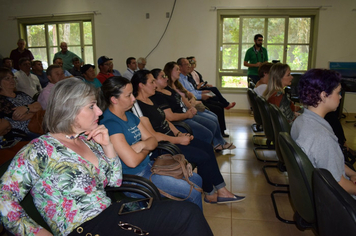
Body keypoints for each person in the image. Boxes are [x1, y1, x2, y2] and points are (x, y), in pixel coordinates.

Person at [0, 77, 214, 236]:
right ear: (70, 110)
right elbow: (4, 199)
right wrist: (38, 234)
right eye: (91, 107)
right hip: (84, 227)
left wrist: (108, 146)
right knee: (184, 218)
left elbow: (114, 181)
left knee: (187, 211)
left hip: (112, 211)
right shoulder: (40, 149)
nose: (99, 112)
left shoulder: (87, 140)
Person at [131, 69, 245, 204]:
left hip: (173, 138)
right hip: (164, 146)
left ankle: (221, 190)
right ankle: (210, 193)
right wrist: (178, 139)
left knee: (207, 148)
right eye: (152, 82)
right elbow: (153, 135)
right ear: (141, 85)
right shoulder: (138, 106)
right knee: (203, 157)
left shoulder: (151, 100)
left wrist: (179, 133)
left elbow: (165, 121)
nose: (155, 85)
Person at [99, 76, 204, 209]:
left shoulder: (130, 115)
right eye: (128, 95)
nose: (133, 99)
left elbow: (153, 140)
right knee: (193, 193)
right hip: (135, 179)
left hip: (148, 167)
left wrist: (142, 145)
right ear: (114, 99)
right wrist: (146, 146)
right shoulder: (111, 124)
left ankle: (187, 218)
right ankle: (194, 226)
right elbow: (132, 162)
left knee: (197, 179)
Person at [291, 69, 356, 198]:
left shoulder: (300, 121)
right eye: (338, 93)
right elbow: (339, 183)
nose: (340, 97)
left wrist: (351, 173)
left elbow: (328, 160)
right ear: (323, 95)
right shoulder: (321, 136)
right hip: (337, 201)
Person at [151, 67, 235, 151]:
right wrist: (187, 114)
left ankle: (214, 146)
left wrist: (190, 107)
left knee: (213, 122)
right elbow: (170, 117)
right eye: (163, 77)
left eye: (165, 76)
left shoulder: (167, 88)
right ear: (154, 81)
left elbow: (181, 97)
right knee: (207, 133)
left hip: (187, 113)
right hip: (181, 119)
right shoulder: (158, 96)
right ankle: (205, 153)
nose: (166, 78)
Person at [171, 60, 229, 137]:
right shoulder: (178, 81)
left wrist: (201, 93)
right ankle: (219, 136)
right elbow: (185, 97)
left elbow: (191, 92)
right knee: (216, 111)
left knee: (217, 106)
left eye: (190, 64)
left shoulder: (185, 78)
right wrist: (199, 97)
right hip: (190, 107)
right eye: (186, 64)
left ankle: (220, 134)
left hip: (193, 102)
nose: (189, 66)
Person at [0, 67, 42, 140]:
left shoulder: (21, 94)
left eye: (13, 78)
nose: (12, 81)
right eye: (7, 78)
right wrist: (34, 111)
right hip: (22, 133)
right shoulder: (2, 100)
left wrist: (26, 108)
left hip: (38, 125)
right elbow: (19, 117)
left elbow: (39, 106)